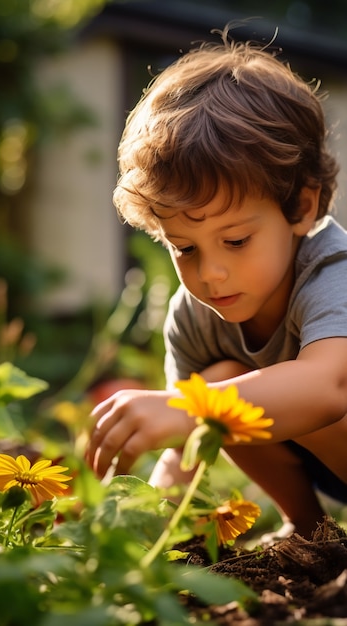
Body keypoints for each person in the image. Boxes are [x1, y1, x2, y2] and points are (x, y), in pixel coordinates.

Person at [86, 26, 347, 541]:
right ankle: (309, 529)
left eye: (235, 241)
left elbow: (330, 388)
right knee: (218, 381)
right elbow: (184, 447)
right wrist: (146, 518)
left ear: (301, 206)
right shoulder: (196, 314)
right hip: (321, 458)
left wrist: (186, 408)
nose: (210, 273)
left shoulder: (332, 270)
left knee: (219, 398)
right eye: (184, 247)